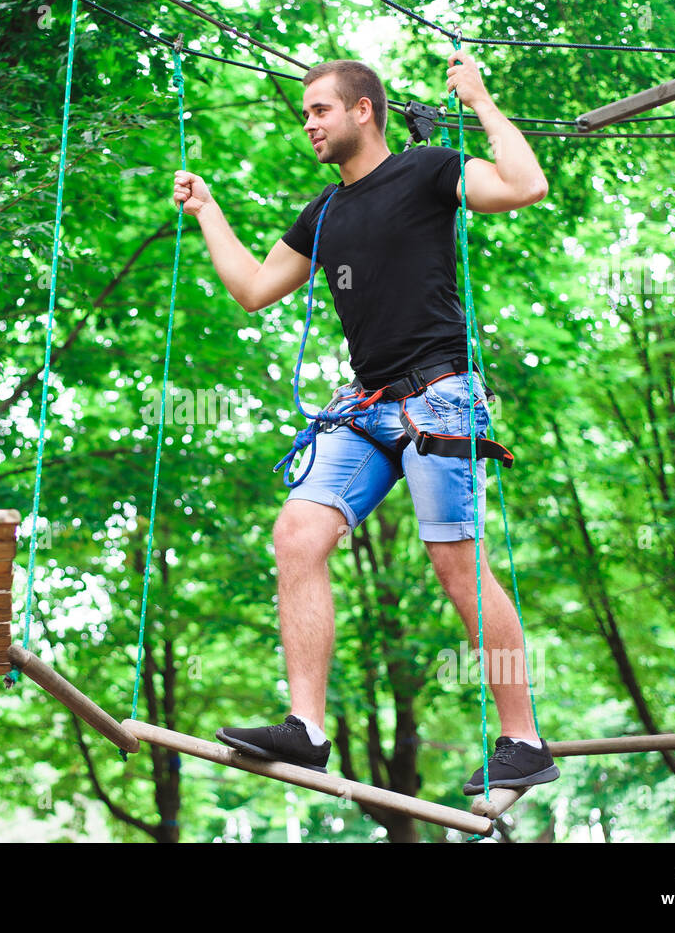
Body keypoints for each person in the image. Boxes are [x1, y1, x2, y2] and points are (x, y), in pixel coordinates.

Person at [171, 53, 558, 797]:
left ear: (363, 111)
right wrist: (208, 210)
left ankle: (523, 740)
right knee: (298, 534)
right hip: (366, 405)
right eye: (304, 113)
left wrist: (478, 99)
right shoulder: (323, 214)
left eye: (320, 109)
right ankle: (307, 730)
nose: (308, 123)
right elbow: (253, 289)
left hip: (437, 396)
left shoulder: (427, 171)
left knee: (456, 565)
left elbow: (525, 184)